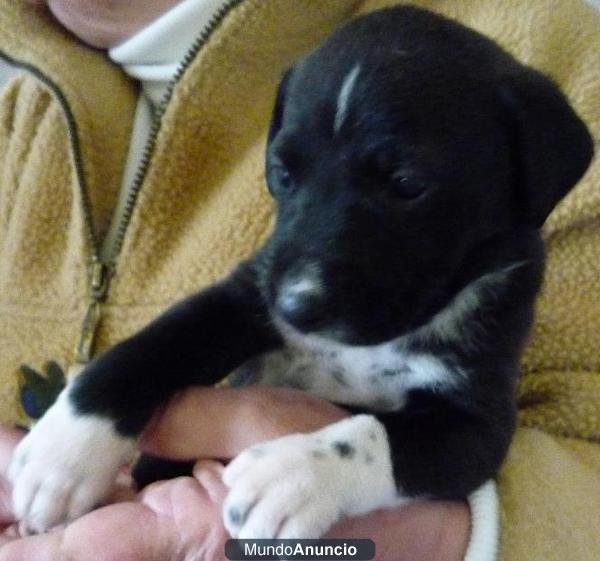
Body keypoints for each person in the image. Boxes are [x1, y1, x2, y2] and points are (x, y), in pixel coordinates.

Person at [0, 0, 597, 560]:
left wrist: (400, 524)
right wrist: (91, 416)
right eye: (288, 176)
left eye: (406, 184)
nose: (300, 290)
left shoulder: (547, 60)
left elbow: (469, 436)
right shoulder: (20, 108)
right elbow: (200, 331)